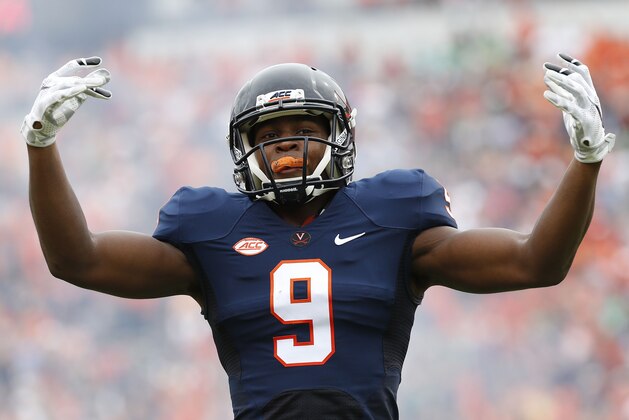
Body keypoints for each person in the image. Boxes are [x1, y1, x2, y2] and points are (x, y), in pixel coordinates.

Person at [21, 54, 616, 419]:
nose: (283, 143)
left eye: (302, 128)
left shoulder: (393, 214)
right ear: (241, 148)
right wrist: (42, 147)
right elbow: (79, 260)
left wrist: (586, 159)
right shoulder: (210, 229)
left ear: (340, 135)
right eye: (269, 132)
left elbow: (536, 262)